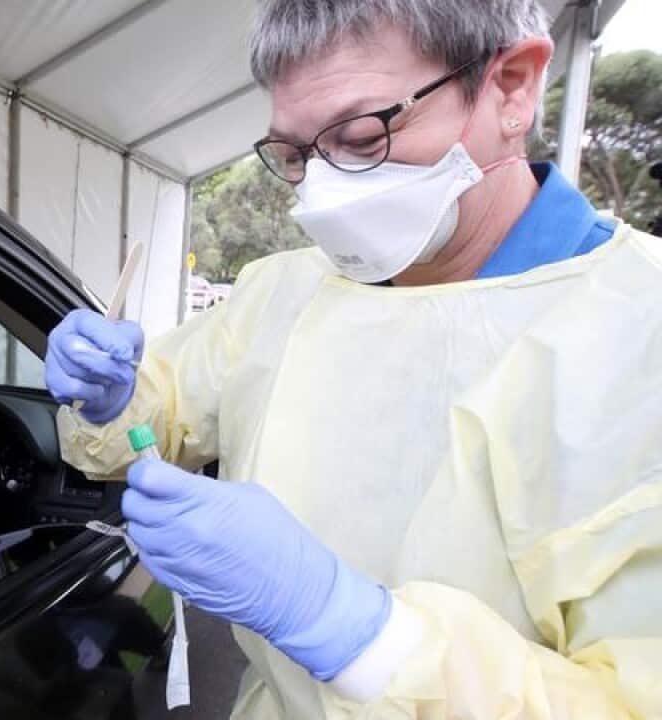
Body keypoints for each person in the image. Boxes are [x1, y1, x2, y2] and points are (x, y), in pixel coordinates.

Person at [45, 1, 662, 717]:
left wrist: (350, 631)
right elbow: (163, 413)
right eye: (295, 156)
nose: (322, 193)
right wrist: (113, 399)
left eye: (363, 137)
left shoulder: (637, 325)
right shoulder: (284, 290)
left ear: (513, 85)